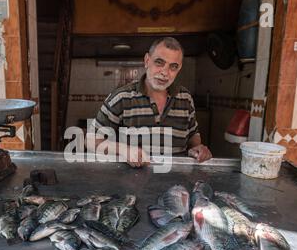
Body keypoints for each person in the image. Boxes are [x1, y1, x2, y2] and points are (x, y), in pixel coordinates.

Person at [89, 37, 212, 168]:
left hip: (176, 184)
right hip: (132, 184)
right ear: (147, 60)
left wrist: (197, 149)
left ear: (179, 68)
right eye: (159, 62)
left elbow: (193, 136)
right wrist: (124, 150)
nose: (165, 72)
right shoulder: (121, 97)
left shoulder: (185, 98)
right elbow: (90, 141)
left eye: (173, 67)